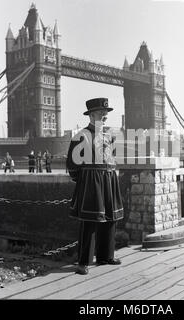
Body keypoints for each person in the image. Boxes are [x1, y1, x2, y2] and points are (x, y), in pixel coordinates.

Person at [66, 97, 124, 275]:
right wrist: (85, 181)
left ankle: (106, 256)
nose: (104, 117)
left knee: (110, 219)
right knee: (90, 221)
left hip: (109, 179)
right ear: (91, 115)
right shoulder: (81, 136)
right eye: (101, 114)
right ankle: (83, 262)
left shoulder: (108, 135)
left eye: (105, 115)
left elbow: (112, 157)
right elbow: (72, 165)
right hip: (91, 182)